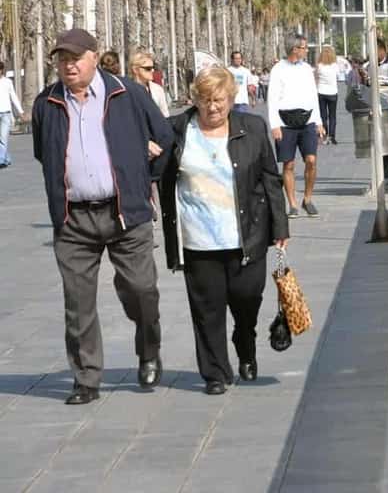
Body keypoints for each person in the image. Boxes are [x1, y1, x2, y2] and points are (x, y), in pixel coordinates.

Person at [32, 29, 173, 405]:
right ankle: (86, 379)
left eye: (76, 57)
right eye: (62, 59)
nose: (69, 64)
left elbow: (165, 135)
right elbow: (44, 152)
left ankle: (148, 349)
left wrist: (146, 174)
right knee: (78, 304)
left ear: (94, 56)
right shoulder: (46, 103)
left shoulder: (126, 94)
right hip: (73, 219)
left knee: (141, 290)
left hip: (125, 212)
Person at [158, 66, 289, 395]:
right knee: (207, 309)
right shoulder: (177, 130)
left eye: (218, 100)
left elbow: (271, 180)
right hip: (198, 238)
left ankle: (245, 340)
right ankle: (215, 372)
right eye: (204, 100)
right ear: (194, 100)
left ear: (231, 99)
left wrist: (280, 225)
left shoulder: (253, 128)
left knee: (248, 298)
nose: (212, 107)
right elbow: (156, 171)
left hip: (247, 234)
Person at [268, 35, 325, 218]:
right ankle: (292, 203)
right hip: (285, 122)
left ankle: (307, 199)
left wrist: (319, 122)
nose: (306, 50)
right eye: (304, 47)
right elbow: (272, 98)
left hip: (307, 120)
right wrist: (275, 125)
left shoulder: (307, 69)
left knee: (311, 160)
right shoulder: (278, 69)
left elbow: (313, 96)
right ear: (295, 49)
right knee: (289, 164)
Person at [361, 39, 388, 184]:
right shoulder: (369, 66)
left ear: (381, 50)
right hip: (377, 109)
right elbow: (367, 86)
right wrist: (363, 78)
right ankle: (386, 174)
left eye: (374, 51)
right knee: (383, 141)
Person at [0, 60, 25, 168]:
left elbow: (13, 97)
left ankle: (1, 160)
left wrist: (20, 112)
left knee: (3, 138)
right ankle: (5, 158)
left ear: (1, 70)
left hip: (6, 113)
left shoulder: (7, 82)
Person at [129, 50, 170, 117]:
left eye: (153, 67)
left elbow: (165, 116)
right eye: (148, 68)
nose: (152, 70)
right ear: (135, 70)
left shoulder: (158, 90)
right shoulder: (126, 91)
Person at [316, 46, 341, 145]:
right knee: (332, 116)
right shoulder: (335, 66)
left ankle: (325, 135)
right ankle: (332, 136)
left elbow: (316, 77)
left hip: (321, 92)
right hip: (333, 93)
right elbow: (338, 76)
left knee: (323, 116)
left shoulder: (319, 66)